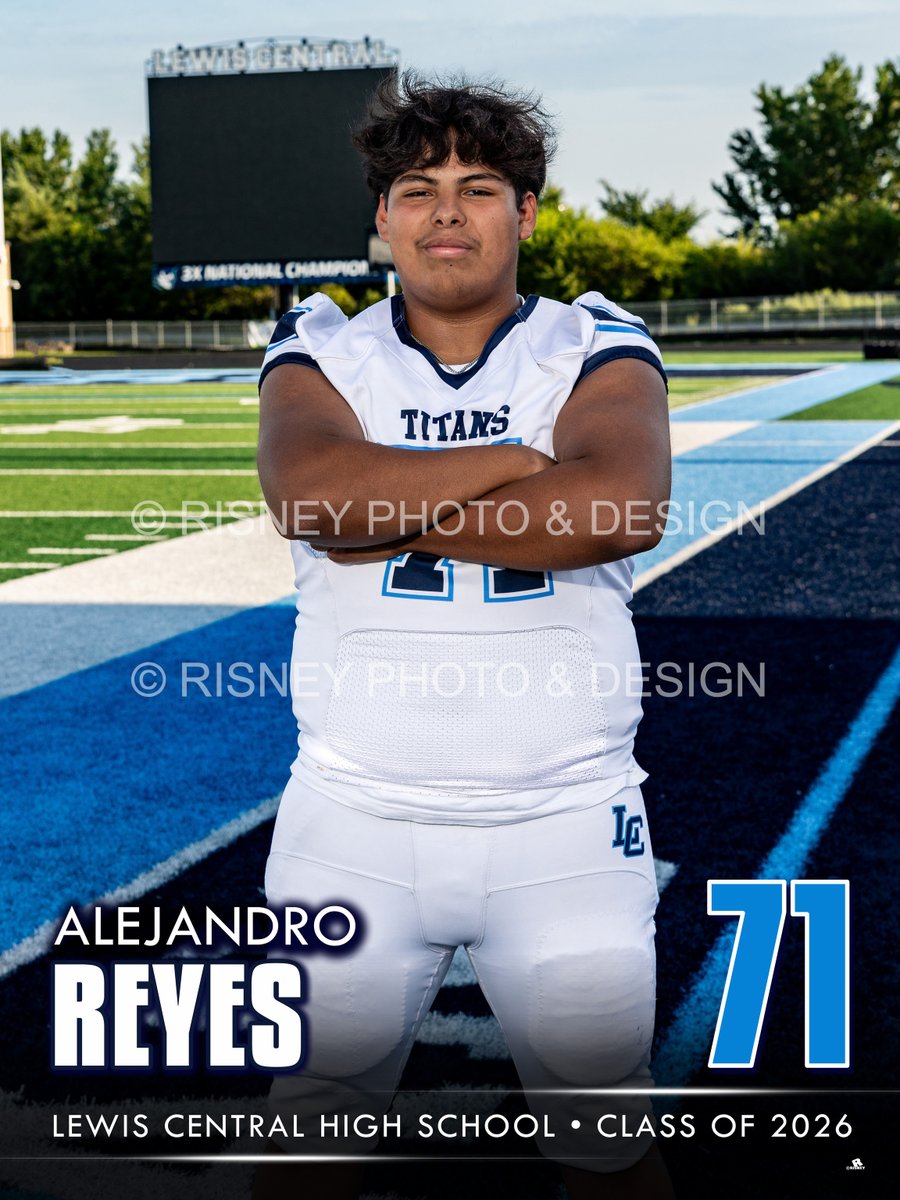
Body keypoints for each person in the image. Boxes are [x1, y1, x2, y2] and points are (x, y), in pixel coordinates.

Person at [254, 72, 673, 1200]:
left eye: (479, 186)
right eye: (417, 187)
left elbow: (616, 509)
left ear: (527, 212)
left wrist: (390, 509)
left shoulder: (594, 339)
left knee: (612, 1156)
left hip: (567, 829)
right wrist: (517, 465)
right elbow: (314, 502)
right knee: (301, 1162)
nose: (447, 210)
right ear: (381, 218)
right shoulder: (323, 345)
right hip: (351, 827)